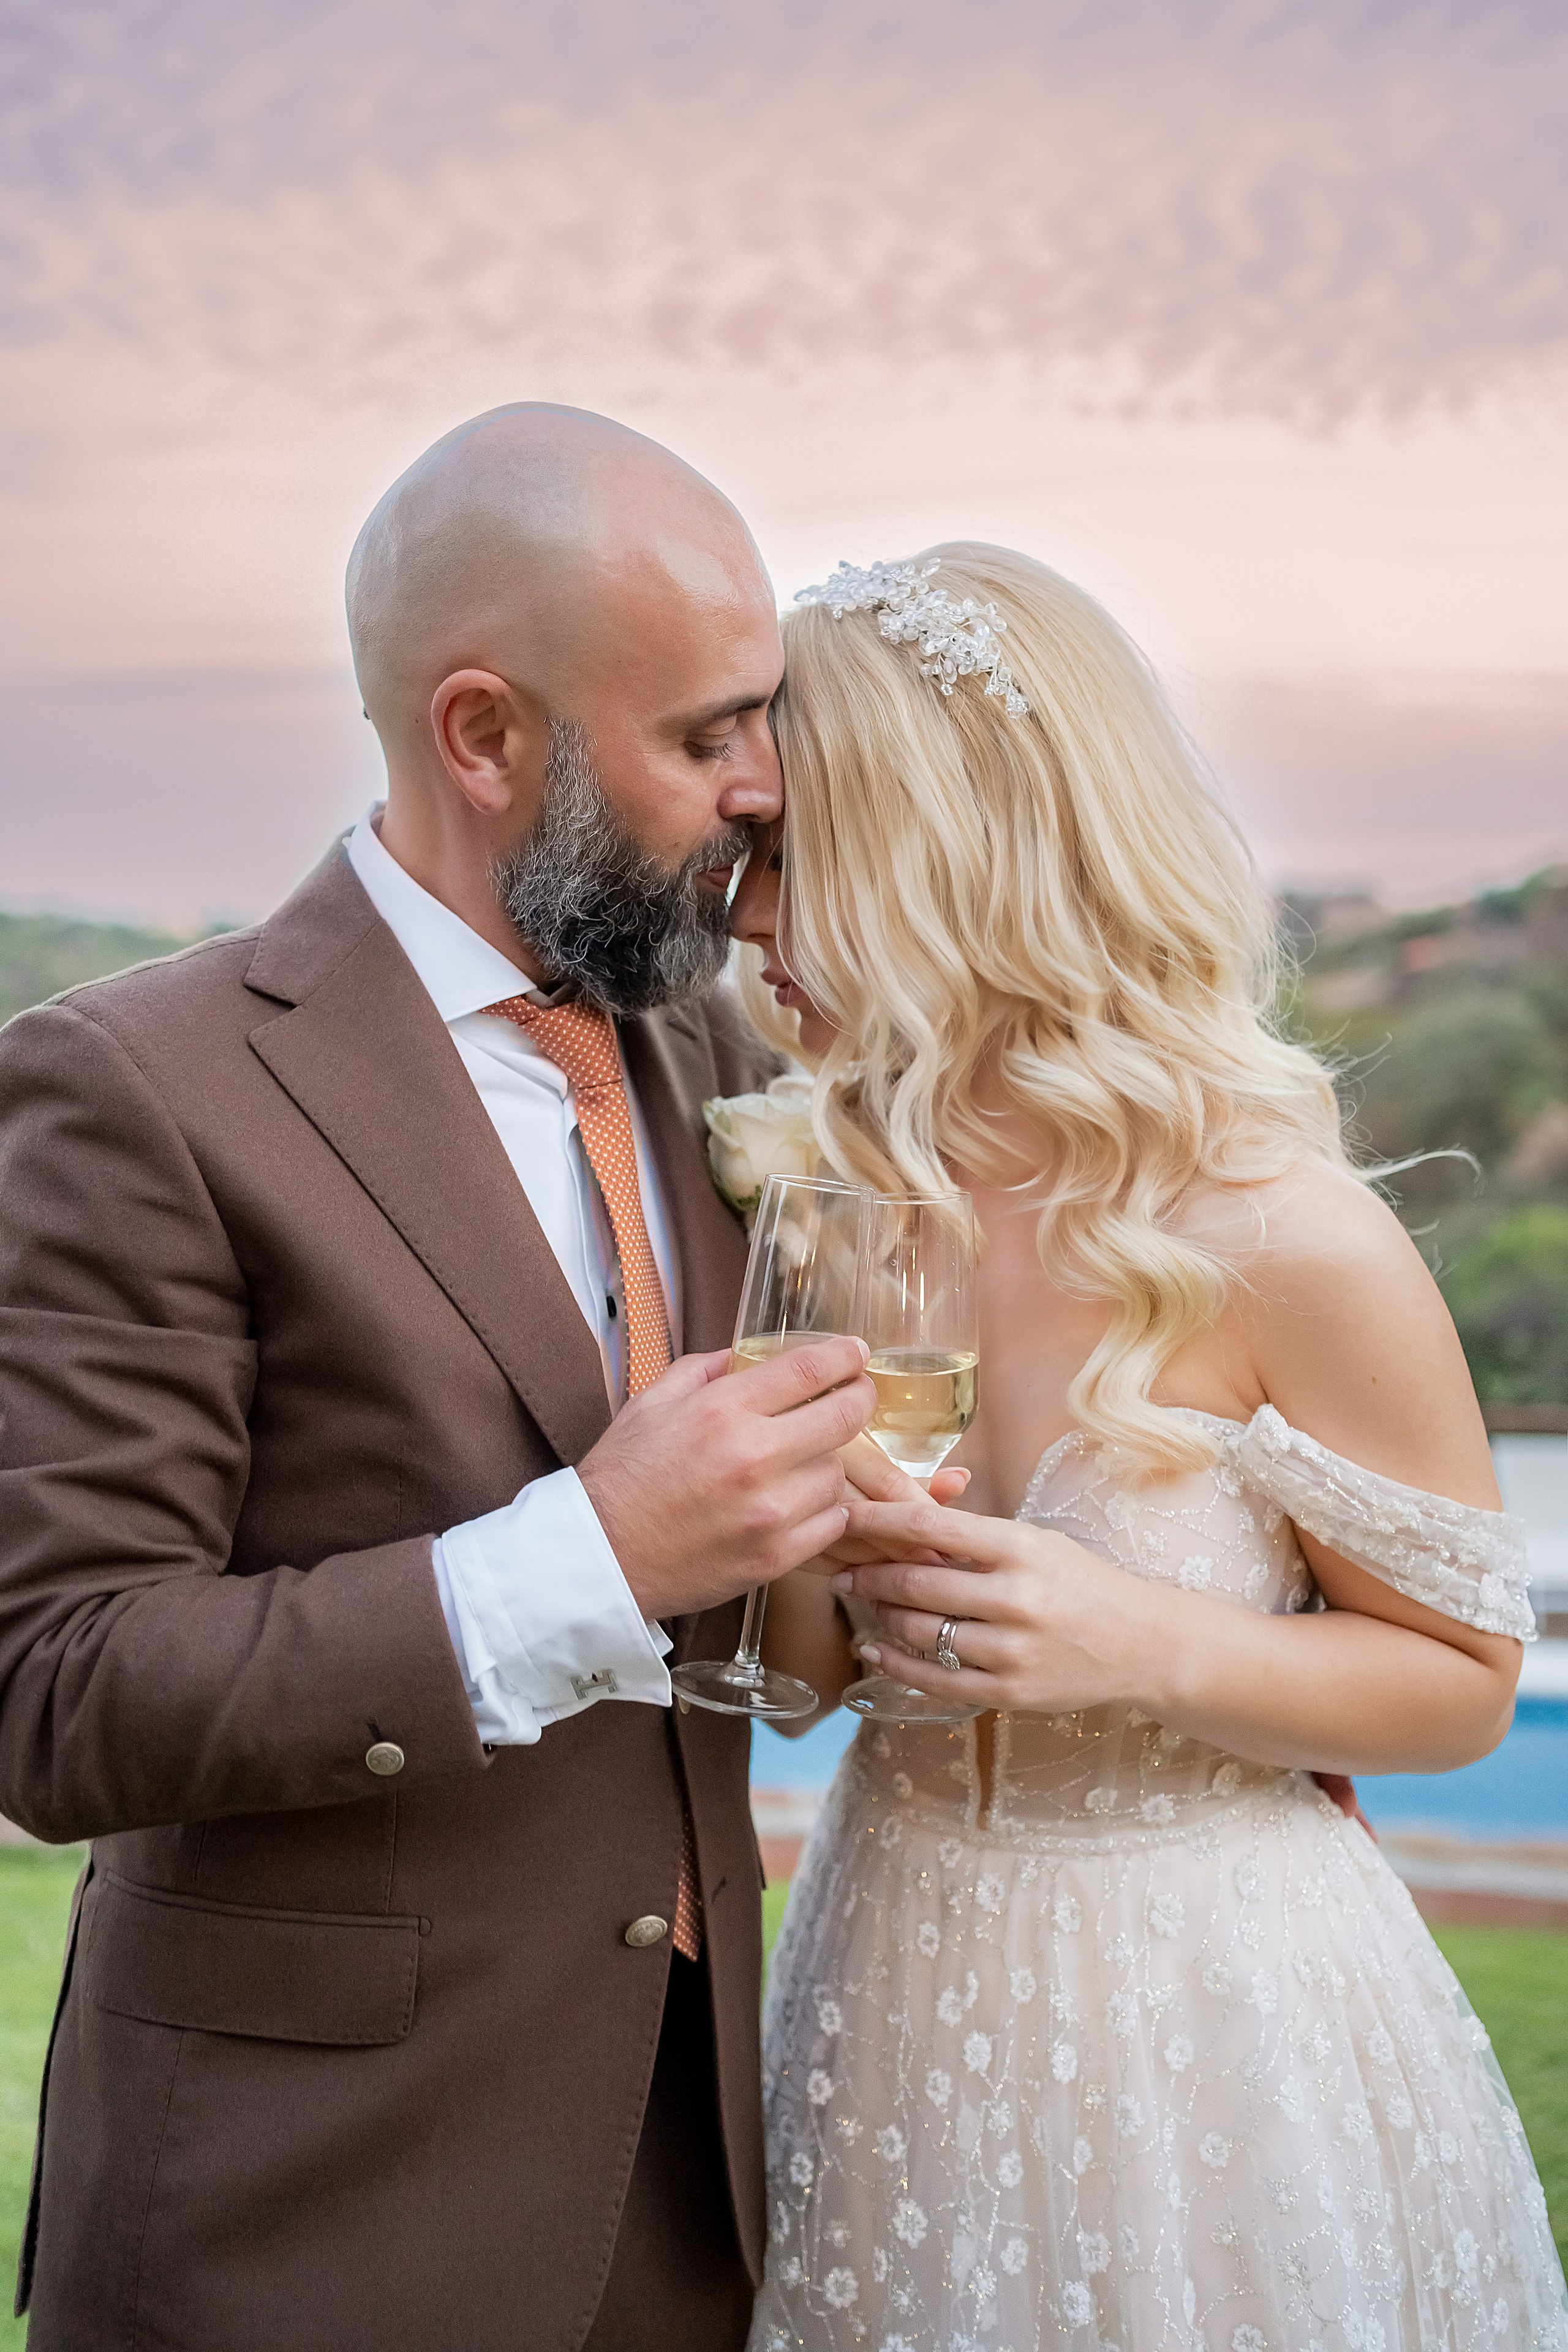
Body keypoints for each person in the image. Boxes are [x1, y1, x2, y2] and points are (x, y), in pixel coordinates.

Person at [0, 404, 885, 2352]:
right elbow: (58, 1695)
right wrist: (588, 1551)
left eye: (769, 719)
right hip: (301, 2219)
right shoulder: (138, 1088)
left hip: (687, 2206)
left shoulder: (724, 1061)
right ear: (483, 735)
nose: (767, 787)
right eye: (704, 734)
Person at [729, 546, 1568, 2350]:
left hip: (1208, 2016)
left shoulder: (1286, 1232)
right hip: (889, 1972)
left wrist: (1144, 1644)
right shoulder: (841, 1209)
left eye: (788, 854)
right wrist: (805, 1536)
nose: (741, 913)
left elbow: (1467, 1686)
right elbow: (801, 1688)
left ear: (949, 851)